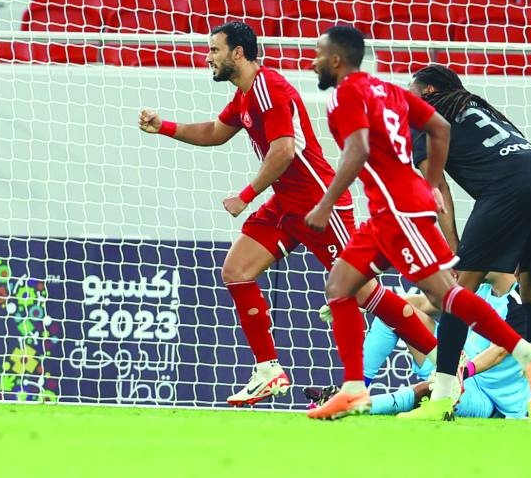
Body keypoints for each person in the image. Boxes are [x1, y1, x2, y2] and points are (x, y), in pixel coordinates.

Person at [138, 21, 437, 407]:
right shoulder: (245, 95)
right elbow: (215, 130)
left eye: (214, 50)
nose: (208, 57)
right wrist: (165, 127)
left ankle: (444, 360)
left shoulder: (271, 89)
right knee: (236, 271)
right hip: (285, 204)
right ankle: (268, 371)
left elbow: (283, 150)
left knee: (362, 292)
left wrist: (245, 196)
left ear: (238, 53)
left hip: (319, 205)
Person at [302, 26, 531, 421]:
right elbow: (441, 127)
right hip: (391, 208)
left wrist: (325, 203)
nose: (311, 61)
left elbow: (358, 149)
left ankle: (524, 352)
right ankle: (352, 387)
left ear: (336, 60)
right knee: (340, 285)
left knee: (445, 295)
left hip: (399, 209)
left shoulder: (347, 94)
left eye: (317, 53)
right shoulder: (388, 90)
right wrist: (432, 183)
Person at [401, 64, 531, 423]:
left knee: (459, 290)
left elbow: (436, 187)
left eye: (411, 89)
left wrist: (451, 248)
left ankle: (443, 398)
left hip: (510, 185)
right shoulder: (477, 106)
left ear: (428, 91)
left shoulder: (425, 116)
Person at [338, 273, 530, 419]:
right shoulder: (477, 289)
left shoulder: (520, 302)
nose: (474, 259)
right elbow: (423, 303)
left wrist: (459, 373)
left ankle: (354, 406)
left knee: (435, 389)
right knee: (393, 314)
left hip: (493, 403)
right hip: (463, 368)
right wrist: (374, 303)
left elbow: (498, 352)